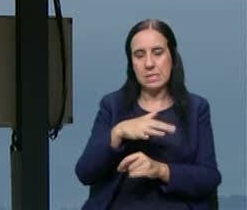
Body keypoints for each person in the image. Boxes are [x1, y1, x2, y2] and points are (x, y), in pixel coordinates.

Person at [75, 19, 221, 209]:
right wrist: (118, 132)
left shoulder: (196, 108)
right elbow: (85, 173)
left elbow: (210, 177)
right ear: (131, 63)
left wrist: (161, 170)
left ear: (173, 57)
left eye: (158, 52)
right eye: (139, 55)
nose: (149, 63)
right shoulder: (112, 105)